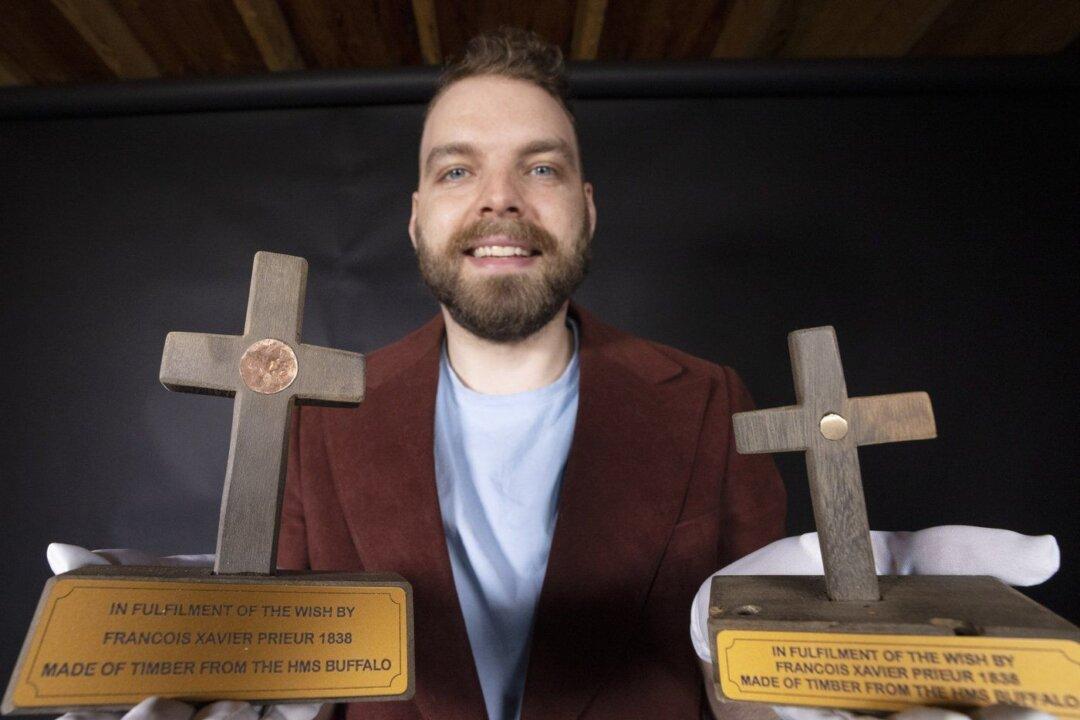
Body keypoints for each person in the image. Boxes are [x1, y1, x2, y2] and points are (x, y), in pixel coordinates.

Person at [275, 27, 786, 720]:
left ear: (589, 208)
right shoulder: (323, 418)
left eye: (541, 168)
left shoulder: (708, 403)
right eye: (458, 170)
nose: (501, 200)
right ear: (417, 218)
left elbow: (759, 679)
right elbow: (288, 679)